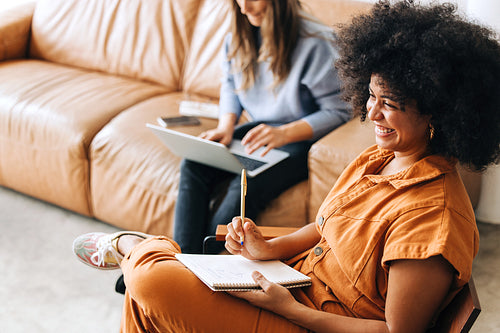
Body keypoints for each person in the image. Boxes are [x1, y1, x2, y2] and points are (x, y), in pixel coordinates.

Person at [73, 0, 500, 331]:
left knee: (149, 284)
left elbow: (395, 331)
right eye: (371, 96)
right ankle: (160, 259)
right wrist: (269, 248)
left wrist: (288, 309)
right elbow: (329, 226)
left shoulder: (433, 219)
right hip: (290, 284)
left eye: (390, 104)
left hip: (304, 320)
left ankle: (135, 245)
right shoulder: (380, 159)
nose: (372, 114)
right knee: (147, 299)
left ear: (439, 115)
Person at [173, 0, 350, 254]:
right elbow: (231, 83)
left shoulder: (316, 42)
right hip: (259, 129)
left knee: (244, 184)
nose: (244, 7)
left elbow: (340, 111)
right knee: (194, 162)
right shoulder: (239, 34)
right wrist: (226, 125)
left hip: (299, 138)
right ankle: (182, 259)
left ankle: (197, 263)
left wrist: (285, 133)